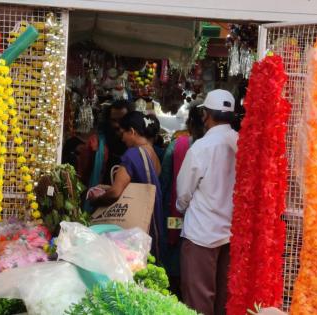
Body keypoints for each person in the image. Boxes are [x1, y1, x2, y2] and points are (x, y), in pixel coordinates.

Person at [176, 89, 238, 315]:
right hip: (231, 235)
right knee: (225, 301)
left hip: (201, 234)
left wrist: (181, 209)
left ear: (206, 116)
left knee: (197, 302)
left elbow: (183, 192)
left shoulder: (201, 148)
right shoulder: (241, 144)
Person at [88, 111, 164, 260]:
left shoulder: (132, 154)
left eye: (123, 133)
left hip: (136, 229)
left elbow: (116, 192)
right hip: (152, 220)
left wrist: (96, 201)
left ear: (132, 131)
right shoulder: (152, 153)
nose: (122, 138)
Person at [159, 101, 205, 297]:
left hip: (175, 213)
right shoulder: (224, 147)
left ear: (191, 124)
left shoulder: (178, 145)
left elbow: (165, 182)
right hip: (207, 222)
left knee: (173, 253)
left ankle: (174, 292)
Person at [81, 100, 135, 212]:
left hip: (125, 206)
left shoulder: (135, 148)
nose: (116, 125)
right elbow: (83, 174)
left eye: (121, 120)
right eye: (113, 120)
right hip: (98, 203)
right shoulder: (95, 143)